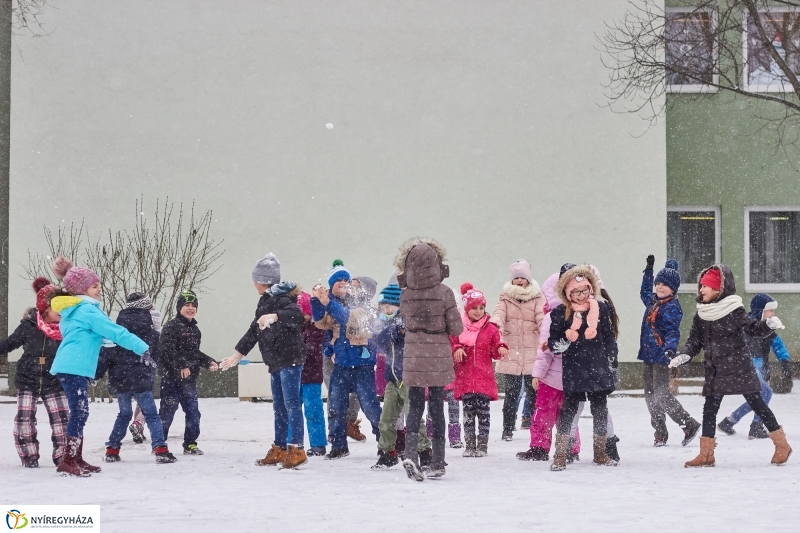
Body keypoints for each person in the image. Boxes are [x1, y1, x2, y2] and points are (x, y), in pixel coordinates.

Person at [670, 265, 792, 467]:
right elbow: (694, 341)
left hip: (739, 367)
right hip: (715, 369)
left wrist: (767, 325)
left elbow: (752, 329)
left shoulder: (733, 310)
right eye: (701, 286)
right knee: (709, 410)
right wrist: (684, 355)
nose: (701, 289)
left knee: (758, 404)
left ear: (718, 289)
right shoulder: (702, 314)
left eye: (706, 286)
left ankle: (782, 446)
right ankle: (706, 454)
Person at [48, 256, 151, 477]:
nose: (99, 290)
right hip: (73, 366)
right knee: (80, 412)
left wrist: (105, 340)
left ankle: (76, 458)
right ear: (82, 289)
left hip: (73, 366)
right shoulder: (87, 310)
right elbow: (115, 331)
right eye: (94, 286)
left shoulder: (78, 310)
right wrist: (142, 347)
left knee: (80, 412)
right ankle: (68, 460)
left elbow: (93, 334)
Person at [221, 253, 307, 469]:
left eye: (255, 280)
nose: (254, 284)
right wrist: (237, 354)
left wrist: (275, 316)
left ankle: (297, 449)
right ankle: (280, 448)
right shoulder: (265, 301)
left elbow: (297, 315)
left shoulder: (282, 298)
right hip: (275, 362)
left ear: (262, 281)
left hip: (289, 359)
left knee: (291, 404)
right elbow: (254, 330)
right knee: (279, 407)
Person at [394, 238, 463, 481]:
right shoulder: (445, 293)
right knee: (436, 408)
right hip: (438, 357)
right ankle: (437, 462)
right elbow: (456, 329)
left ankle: (411, 454)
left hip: (414, 356)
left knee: (414, 407)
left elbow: (405, 323)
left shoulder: (405, 295)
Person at [548, 265, 618, 471]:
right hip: (575, 368)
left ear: (591, 289)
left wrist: (612, 354)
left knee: (600, 409)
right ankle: (560, 454)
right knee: (569, 410)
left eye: (584, 290)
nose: (581, 295)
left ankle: (601, 452)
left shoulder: (600, 309)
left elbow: (608, 336)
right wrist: (559, 345)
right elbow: (553, 340)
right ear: (567, 293)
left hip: (598, 367)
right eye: (575, 292)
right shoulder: (561, 313)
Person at [311, 260, 382, 460]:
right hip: (342, 364)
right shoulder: (340, 303)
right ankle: (339, 445)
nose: (349, 287)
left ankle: (386, 444)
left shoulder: (366, 308)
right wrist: (317, 300)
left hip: (362, 365)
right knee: (336, 406)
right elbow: (323, 323)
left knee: (370, 406)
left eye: (353, 285)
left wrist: (328, 302)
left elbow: (347, 317)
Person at [95, 292, 177, 464]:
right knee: (151, 415)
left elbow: (106, 355)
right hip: (142, 379)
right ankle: (160, 449)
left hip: (120, 380)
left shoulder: (116, 332)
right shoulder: (152, 334)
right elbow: (157, 356)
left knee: (124, 414)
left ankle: (112, 449)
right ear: (147, 309)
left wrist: (96, 374)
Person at [1, 278, 68, 468]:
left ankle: (63, 456)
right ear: (45, 308)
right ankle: (29, 456)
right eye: (57, 307)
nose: (62, 312)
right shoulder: (28, 326)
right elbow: (9, 343)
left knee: (61, 420)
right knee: (24, 420)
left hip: (54, 378)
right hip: (27, 377)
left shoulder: (67, 328)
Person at [638, 256, 700, 447]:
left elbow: (673, 331)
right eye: (658, 283)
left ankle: (689, 424)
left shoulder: (672, 307)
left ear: (673, 288)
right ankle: (660, 433)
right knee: (650, 396)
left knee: (661, 394)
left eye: (664, 284)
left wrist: (670, 350)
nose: (659, 287)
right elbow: (644, 291)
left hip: (662, 356)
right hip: (648, 354)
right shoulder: (652, 302)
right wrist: (649, 271)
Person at [517, 272, 579, 462]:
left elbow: (545, 351)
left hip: (551, 378)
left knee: (543, 413)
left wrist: (537, 374)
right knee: (568, 415)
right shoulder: (580, 315)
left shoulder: (552, 317)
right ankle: (570, 447)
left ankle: (539, 447)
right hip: (572, 378)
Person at [371, 283, 432, 469]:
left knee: (414, 418)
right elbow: (379, 341)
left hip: (409, 379)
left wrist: (400, 330)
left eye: (390, 306)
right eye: (383, 306)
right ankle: (386, 452)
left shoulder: (408, 321)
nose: (386, 309)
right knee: (386, 420)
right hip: (393, 379)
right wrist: (394, 331)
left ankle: (425, 452)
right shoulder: (384, 324)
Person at [718, 294, 792, 439]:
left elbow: (778, 345)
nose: (773, 314)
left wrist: (784, 361)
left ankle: (729, 421)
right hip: (745, 367)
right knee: (766, 393)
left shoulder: (768, 328)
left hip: (759, 369)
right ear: (760, 311)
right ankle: (756, 427)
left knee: (757, 399)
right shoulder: (746, 326)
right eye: (770, 310)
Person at [159, 289, 219, 456]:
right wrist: (181, 366)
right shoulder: (171, 326)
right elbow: (167, 350)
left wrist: (208, 361)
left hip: (189, 380)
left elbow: (194, 353)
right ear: (179, 307)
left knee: (193, 412)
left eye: (193, 305)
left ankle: (190, 443)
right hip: (171, 379)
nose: (190, 308)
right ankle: (159, 443)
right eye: (186, 305)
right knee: (167, 412)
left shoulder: (195, 330)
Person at [491, 259, 544, 441]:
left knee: (534, 393)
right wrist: (496, 325)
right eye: (516, 277)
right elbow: (499, 313)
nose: (519, 280)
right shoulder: (505, 297)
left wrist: (546, 330)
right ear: (512, 280)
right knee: (511, 394)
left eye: (523, 277)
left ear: (528, 279)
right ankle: (507, 428)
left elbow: (541, 317)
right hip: (511, 351)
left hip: (531, 352)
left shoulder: (537, 297)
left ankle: (535, 428)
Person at [452, 283, 508, 457]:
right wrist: (456, 348)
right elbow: (451, 343)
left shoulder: (490, 329)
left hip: (484, 379)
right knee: (468, 414)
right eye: (474, 308)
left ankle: (482, 446)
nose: (478, 311)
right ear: (466, 309)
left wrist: (500, 347)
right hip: (466, 379)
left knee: (484, 415)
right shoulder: (458, 327)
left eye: (481, 308)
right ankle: (469, 445)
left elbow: (495, 345)